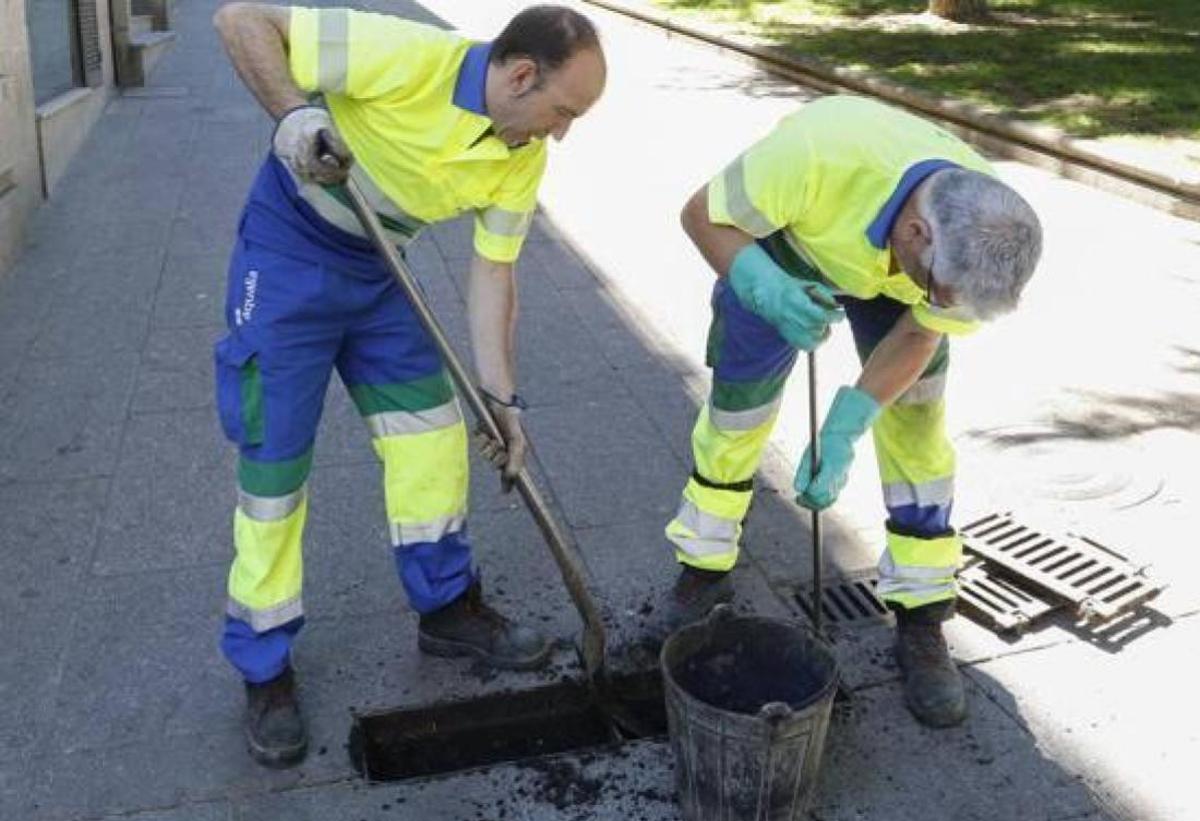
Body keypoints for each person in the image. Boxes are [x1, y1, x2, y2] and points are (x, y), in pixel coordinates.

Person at [211, 2, 606, 767]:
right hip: (288, 254)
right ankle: (263, 664)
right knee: (274, 471)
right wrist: (293, 118)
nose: (561, 133)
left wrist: (502, 400)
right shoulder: (405, 56)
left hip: (381, 270)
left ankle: (447, 607)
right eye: (563, 112)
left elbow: (495, 275)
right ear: (522, 76)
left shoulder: (520, 154)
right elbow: (239, 20)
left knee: (432, 438)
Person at [662, 95, 1042, 728]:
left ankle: (922, 618)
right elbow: (703, 215)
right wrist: (767, 289)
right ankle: (703, 569)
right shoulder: (817, 153)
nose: (944, 303)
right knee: (738, 414)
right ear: (917, 233)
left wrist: (846, 424)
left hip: (891, 280)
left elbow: (921, 330)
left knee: (917, 428)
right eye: (940, 290)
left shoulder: (982, 237)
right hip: (785, 252)